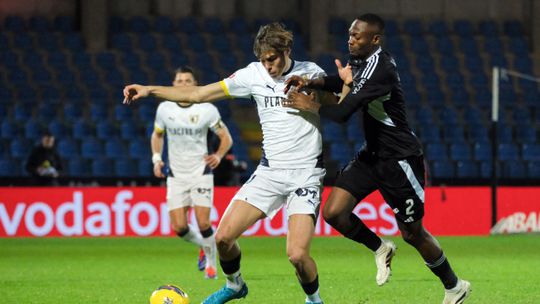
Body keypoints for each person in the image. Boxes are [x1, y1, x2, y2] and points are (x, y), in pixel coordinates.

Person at [124, 22, 331, 304]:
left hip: (306, 174)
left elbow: (343, 102)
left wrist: (315, 105)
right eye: (263, 60)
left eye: (272, 59)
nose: (268, 66)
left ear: (287, 50)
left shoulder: (311, 72)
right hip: (269, 173)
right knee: (222, 238)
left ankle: (314, 300)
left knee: (296, 255)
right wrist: (149, 89)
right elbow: (198, 94)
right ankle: (235, 286)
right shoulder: (252, 75)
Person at [283, 14, 471, 304]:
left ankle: (454, 285)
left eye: (357, 36)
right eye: (349, 34)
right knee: (334, 213)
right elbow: (343, 81)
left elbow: (344, 112)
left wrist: (311, 104)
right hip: (372, 155)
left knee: (412, 233)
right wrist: (313, 81)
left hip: (399, 160)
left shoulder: (381, 68)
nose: (350, 39)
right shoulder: (361, 59)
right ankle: (381, 247)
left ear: (375, 40)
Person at [151, 66, 233, 280]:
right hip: (176, 174)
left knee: (203, 222)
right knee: (179, 227)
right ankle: (206, 246)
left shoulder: (207, 109)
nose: (184, 84)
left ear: (195, 85)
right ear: (173, 84)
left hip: (200, 172)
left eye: (188, 80)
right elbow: (157, 135)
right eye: (179, 80)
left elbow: (226, 138)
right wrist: (157, 159)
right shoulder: (165, 109)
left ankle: (211, 265)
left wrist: (218, 155)